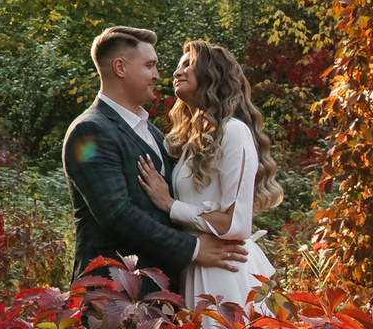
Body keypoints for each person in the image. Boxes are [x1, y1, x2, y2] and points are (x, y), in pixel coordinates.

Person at [62, 26, 249, 298]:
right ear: (120, 68)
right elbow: (117, 215)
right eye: (150, 65)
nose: (157, 75)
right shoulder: (88, 132)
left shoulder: (153, 133)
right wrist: (194, 249)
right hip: (112, 295)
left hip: (163, 293)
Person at [154, 38, 281, 329]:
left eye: (188, 65)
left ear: (212, 75)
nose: (177, 72)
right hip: (195, 265)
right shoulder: (187, 141)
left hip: (225, 273)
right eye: (177, 66)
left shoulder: (233, 132)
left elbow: (235, 224)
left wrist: (170, 205)